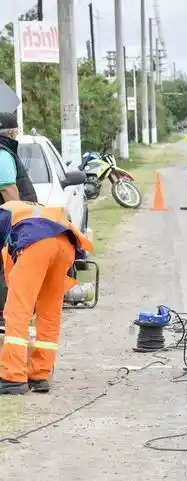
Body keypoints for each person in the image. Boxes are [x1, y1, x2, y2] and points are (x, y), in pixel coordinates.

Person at [0, 201, 94, 395]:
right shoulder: (24, 207)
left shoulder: (3, 213)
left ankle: (13, 377)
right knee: (49, 313)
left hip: (37, 243)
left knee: (17, 311)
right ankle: (40, 374)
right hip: (66, 246)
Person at [0, 112, 38, 328]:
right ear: (11, 132)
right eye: (15, 131)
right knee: (6, 271)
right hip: (7, 225)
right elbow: (8, 190)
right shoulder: (3, 154)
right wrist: (20, 222)